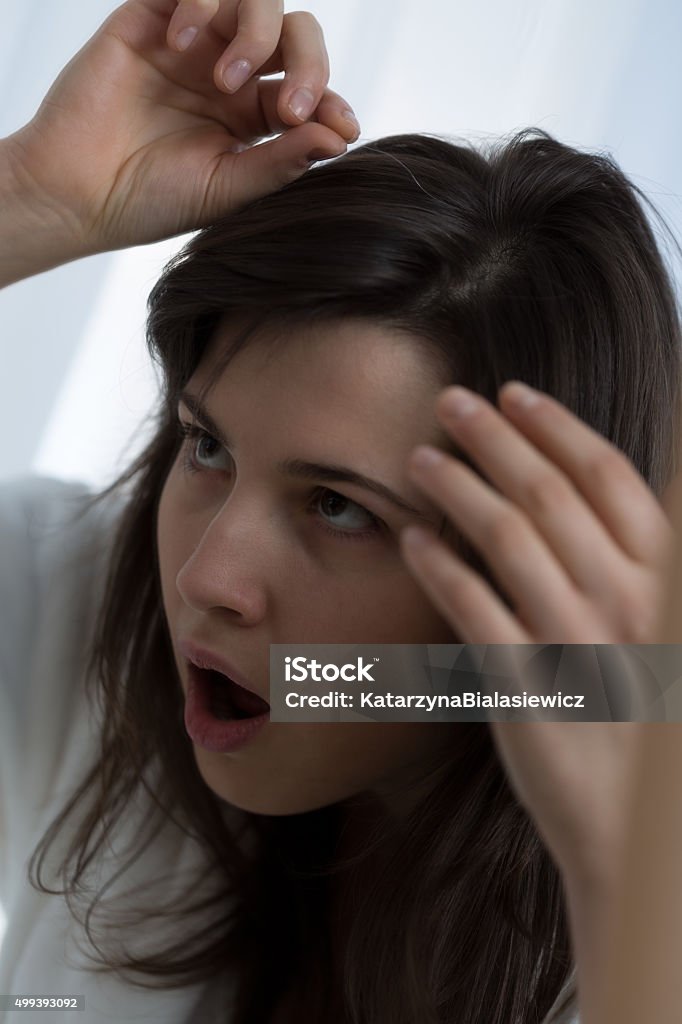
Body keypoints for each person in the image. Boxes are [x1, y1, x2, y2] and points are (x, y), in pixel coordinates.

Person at [1, 1, 680, 1022]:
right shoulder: (95, 594)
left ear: (533, 572)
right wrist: (27, 200)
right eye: (208, 446)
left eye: (337, 506)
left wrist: (631, 892)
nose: (206, 579)